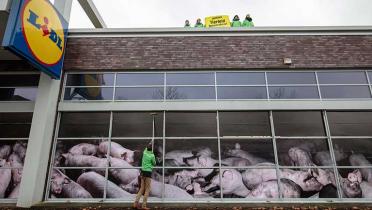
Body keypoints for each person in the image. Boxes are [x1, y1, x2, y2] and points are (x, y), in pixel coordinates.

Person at [133, 143, 156, 210]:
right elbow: (154, 163)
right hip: (148, 173)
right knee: (147, 189)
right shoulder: (152, 155)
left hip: (142, 173)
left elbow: (146, 148)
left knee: (141, 188)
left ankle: (135, 203)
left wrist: (150, 143)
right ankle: (144, 206)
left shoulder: (144, 153)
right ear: (152, 149)